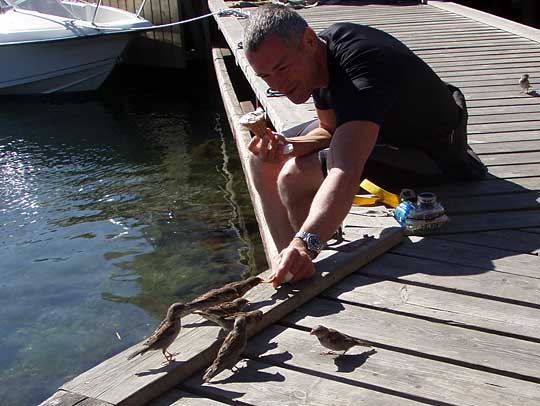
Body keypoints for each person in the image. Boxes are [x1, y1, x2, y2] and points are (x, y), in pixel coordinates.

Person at [243, 4, 487, 287]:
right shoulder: (317, 57)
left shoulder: (362, 65)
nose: (279, 84)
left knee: (294, 177)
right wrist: (288, 147)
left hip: (432, 156)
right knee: (260, 161)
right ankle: (283, 265)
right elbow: (329, 130)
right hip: (380, 133)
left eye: (281, 68)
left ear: (309, 40)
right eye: (266, 77)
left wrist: (305, 244)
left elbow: (345, 170)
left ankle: (299, 263)